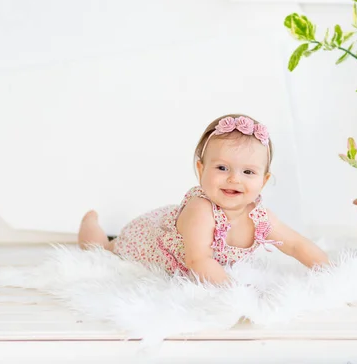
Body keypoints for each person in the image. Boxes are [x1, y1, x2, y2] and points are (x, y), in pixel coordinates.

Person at [78, 114, 329, 284]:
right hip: (151, 239)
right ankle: (91, 224)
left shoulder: (260, 217)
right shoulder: (201, 210)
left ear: (263, 180)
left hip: (177, 226)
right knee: (101, 250)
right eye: (222, 168)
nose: (234, 179)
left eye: (248, 172)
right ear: (201, 169)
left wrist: (331, 271)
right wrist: (233, 292)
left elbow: (297, 245)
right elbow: (198, 259)